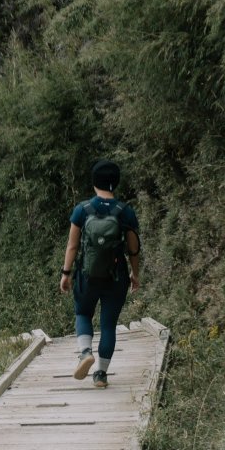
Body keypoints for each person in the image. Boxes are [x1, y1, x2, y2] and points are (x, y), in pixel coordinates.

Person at [58, 159, 141, 387]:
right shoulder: (125, 212)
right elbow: (133, 249)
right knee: (108, 325)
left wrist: (66, 273)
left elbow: (72, 246)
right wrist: (135, 274)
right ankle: (101, 375)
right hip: (116, 276)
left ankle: (85, 353)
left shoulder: (82, 210)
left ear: (94, 182)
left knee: (83, 314)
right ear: (117, 182)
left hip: (87, 275)